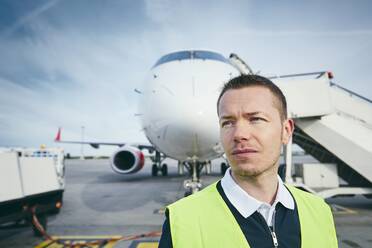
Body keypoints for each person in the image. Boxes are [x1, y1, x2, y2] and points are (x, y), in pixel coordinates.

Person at [158, 74, 338, 248]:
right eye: (227, 122)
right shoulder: (182, 221)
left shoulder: (320, 211)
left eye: (256, 119)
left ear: (286, 131)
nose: (239, 135)